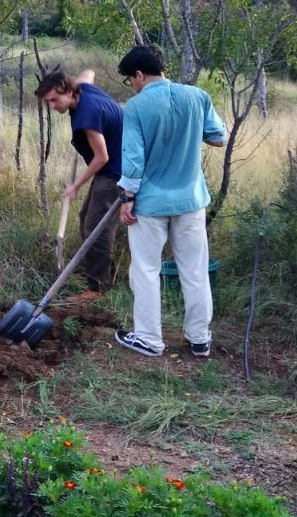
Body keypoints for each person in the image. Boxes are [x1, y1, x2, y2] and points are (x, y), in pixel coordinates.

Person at [113, 45, 227, 358]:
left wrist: (127, 197)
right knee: (195, 270)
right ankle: (200, 339)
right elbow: (218, 137)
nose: (132, 85)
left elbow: (133, 159)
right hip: (190, 200)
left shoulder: (136, 107)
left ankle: (149, 339)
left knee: (146, 270)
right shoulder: (197, 96)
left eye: (130, 79)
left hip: (149, 204)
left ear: (139, 74)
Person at [36, 68, 124, 295]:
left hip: (116, 170)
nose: (53, 106)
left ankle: (98, 288)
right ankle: (102, 272)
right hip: (113, 164)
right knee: (87, 218)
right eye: (49, 102)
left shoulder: (87, 115)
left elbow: (101, 157)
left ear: (67, 91)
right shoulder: (82, 88)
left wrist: (76, 185)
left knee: (97, 227)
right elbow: (90, 72)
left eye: (55, 100)